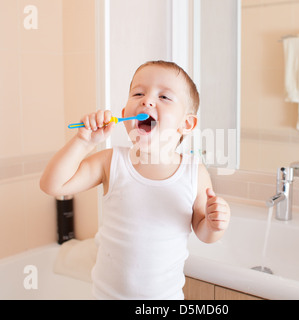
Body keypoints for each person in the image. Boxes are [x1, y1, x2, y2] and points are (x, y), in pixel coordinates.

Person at [40, 60, 231, 299]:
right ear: (124, 115)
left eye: (164, 97)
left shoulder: (194, 172)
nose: (147, 100)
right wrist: (84, 142)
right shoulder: (110, 162)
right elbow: (52, 185)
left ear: (187, 123)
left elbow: (204, 233)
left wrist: (215, 224)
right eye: (138, 93)